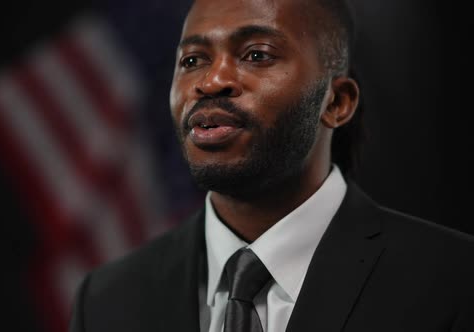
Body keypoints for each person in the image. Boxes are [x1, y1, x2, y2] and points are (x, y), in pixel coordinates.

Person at [69, 0, 474, 331]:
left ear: (336, 103)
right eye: (192, 60)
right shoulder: (107, 300)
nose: (210, 82)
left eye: (256, 54)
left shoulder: (453, 280)